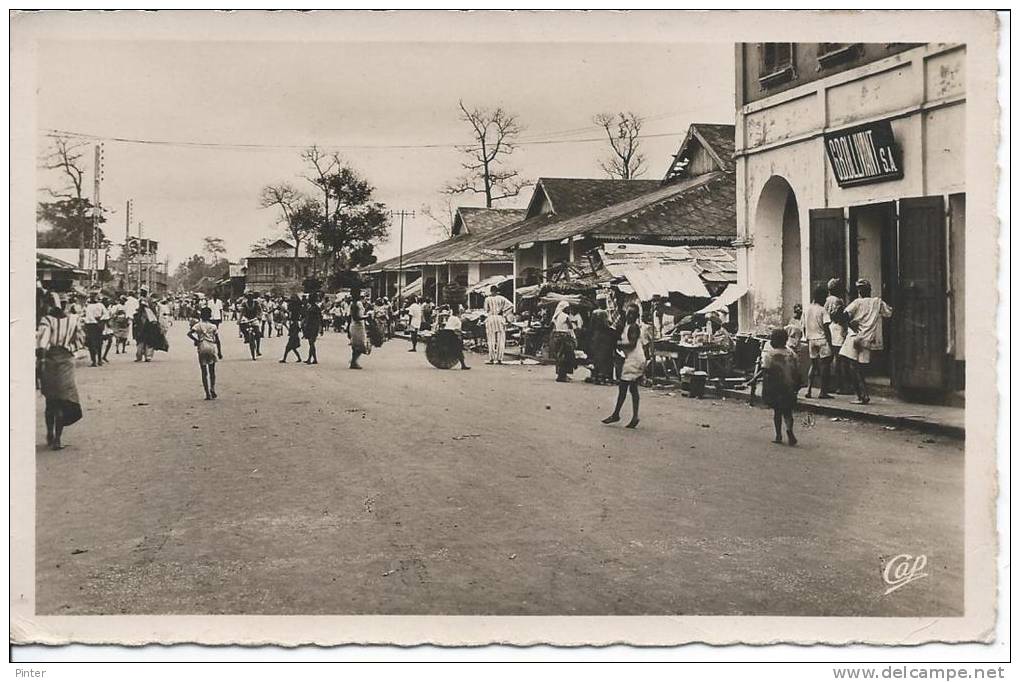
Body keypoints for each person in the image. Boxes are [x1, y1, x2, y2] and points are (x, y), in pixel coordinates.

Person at [37, 298, 84, 450]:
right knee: (63, 401)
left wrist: (41, 363)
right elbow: (80, 341)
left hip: (50, 361)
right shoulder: (73, 320)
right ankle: (57, 439)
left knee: (51, 401)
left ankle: (50, 434)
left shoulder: (47, 320)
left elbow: (42, 343)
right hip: (66, 362)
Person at [838, 279, 893, 405]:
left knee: (852, 367)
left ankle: (861, 395)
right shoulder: (877, 302)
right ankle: (864, 394)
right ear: (869, 290)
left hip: (854, 337)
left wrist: (851, 325)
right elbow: (889, 313)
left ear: (859, 291)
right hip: (867, 339)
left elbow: (843, 316)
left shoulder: (857, 302)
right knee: (860, 369)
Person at [602, 303, 645, 429]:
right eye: (628, 313)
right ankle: (631, 416)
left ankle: (618, 414)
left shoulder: (633, 327)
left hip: (634, 359)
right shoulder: (628, 326)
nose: (629, 316)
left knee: (624, 387)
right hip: (633, 358)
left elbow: (631, 344)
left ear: (636, 316)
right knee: (631, 388)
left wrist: (618, 344)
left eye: (632, 314)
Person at [762, 327, 800, 446]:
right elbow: (796, 370)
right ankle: (789, 430)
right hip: (789, 386)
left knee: (777, 412)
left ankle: (778, 435)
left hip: (776, 387)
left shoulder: (770, 355)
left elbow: (766, 371)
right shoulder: (791, 353)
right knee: (788, 412)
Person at [804, 284, 834, 399]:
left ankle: (809, 389)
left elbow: (804, 326)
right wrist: (830, 343)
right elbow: (826, 328)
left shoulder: (807, 309)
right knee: (825, 366)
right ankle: (823, 392)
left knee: (813, 365)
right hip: (822, 340)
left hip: (811, 339)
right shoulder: (823, 310)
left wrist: (807, 338)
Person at [187, 306, 220, 400]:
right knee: (212, 371)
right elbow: (218, 340)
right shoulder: (213, 326)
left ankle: (207, 393)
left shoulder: (198, 325)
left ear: (201, 315)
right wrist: (220, 352)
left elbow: (189, 333)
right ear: (210, 316)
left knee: (204, 372)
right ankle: (212, 388)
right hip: (211, 347)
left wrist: (197, 340)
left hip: (202, 347)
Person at [824, 279, 851, 394]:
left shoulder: (826, 300)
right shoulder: (838, 301)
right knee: (840, 359)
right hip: (837, 329)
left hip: (830, 328)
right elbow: (840, 317)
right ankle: (841, 386)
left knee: (832, 358)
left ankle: (832, 384)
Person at [587, 298, 617, 385]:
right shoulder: (604, 313)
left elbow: (591, 326)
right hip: (604, 337)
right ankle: (604, 376)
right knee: (605, 357)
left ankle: (596, 376)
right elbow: (607, 325)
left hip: (596, 337)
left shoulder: (594, 312)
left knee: (597, 356)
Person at [549, 300, 580, 383]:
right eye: (567, 308)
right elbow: (571, 326)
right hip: (565, 337)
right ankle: (562, 376)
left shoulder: (556, 316)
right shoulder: (565, 316)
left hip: (557, 336)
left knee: (560, 356)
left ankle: (561, 374)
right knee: (566, 356)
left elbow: (551, 326)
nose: (568, 309)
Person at [483, 285, 514, 365]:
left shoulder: (487, 299)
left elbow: (486, 310)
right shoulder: (501, 298)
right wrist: (504, 313)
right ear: (497, 291)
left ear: (491, 291)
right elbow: (510, 305)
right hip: (500, 318)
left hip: (491, 318)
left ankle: (492, 359)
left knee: (491, 339)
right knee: (501, 339)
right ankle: (500, 359)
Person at [82, 291, 107, 367]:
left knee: (92, 343)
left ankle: (95, 361)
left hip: (91, 326)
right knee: (99, 343)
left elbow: (89, 317)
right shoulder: (100, 305)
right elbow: (106, 314)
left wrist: (96, 321)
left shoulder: (88, 307)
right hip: (99, 325)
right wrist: (100, 320)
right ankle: (99, 360)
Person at [443, 304, 471, 370]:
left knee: (457, 350)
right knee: (459, 350)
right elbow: (456, 330)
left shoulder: (451, 317)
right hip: (453, 335)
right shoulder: (456, 319)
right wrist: (464, 333)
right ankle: (463, 365)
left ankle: (462, 364)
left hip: (447, 334)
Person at [348, 287, 369, 369]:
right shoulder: (355, 304)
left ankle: (354, 361)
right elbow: (356, 317)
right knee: (359, 346)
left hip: (358, 325)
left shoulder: (357, 303)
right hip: (357, 326)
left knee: (357, 345)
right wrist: (366, 317)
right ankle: (354, 361)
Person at [303, 292, 322, 364]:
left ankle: (309, 359)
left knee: (311, 343)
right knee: (311, 343)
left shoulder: (315, 308)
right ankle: (314, 359)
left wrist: (320, 328)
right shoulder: (311, 307)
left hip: (313, 326)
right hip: (310, 326)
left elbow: (319, 318)